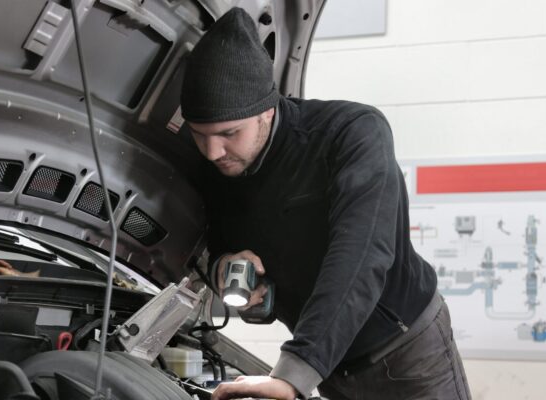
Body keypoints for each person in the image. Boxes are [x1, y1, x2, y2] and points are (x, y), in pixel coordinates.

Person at [180, 7, 471, 400]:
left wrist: (295, 371)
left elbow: (361, 256)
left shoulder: (351, 134)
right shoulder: (213, 165)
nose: (213, 151)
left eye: (229, 133)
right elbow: (213, 240)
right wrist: (223, 268)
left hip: (406, 356)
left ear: (268, 109)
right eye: (200, 135)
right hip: (329, 366)